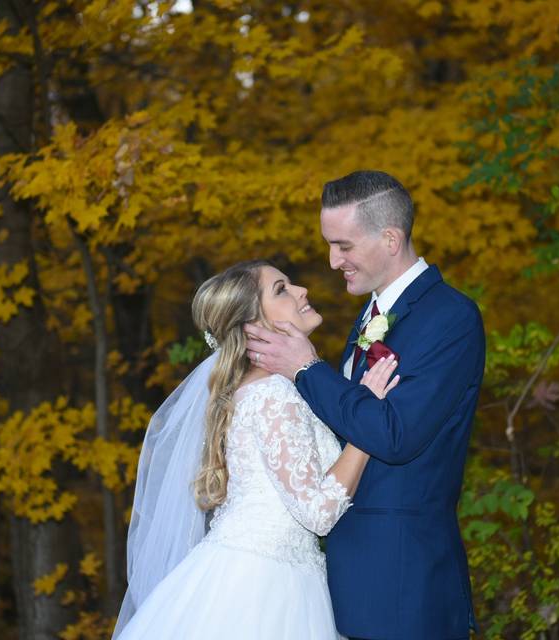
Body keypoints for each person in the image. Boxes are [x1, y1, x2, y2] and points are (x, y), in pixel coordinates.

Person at [245, 170, 485, 640]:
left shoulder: (451, 318)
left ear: (391, 238)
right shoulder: (369, 317)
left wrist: (307, 369)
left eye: (344, 246)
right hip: (346, 578)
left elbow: (395, 436)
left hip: (401, 584)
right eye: (329, 244)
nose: (333, 261)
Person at [111, 259, 400, 639]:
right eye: (281, 289)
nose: (302, 291)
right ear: (253, 325)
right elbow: (318, 512)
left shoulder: (260, 388)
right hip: (265, 583)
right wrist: (368, 424)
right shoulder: (273, 394)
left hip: (252, 571)